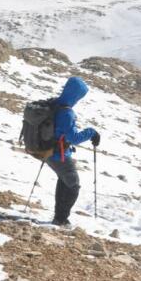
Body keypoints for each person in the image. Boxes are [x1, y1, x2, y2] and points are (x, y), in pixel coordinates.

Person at [47, 76, 100, 226]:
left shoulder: (54, 103)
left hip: (48, 151)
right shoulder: (66, 113)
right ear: (76, 95)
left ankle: (59, 216)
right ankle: (61, 219)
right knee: (73, 185)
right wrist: (92, 132)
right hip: (59, 154)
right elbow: (74, 138)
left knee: (64, 181)